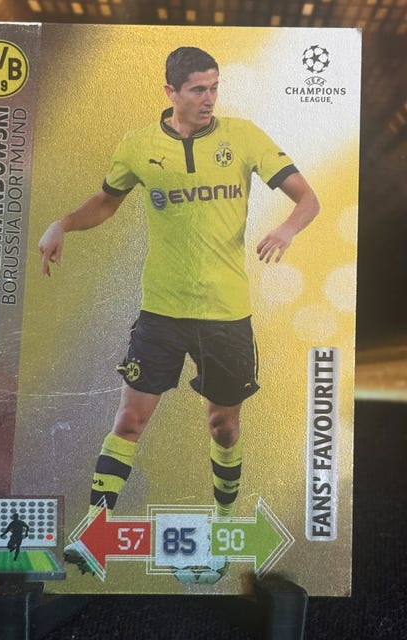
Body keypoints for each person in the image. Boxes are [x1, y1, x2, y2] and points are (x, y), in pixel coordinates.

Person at [39, 47, 319, 577]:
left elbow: (307, 199)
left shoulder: (244, 138)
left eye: (214, 87)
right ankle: (94, 532)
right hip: (162, 311)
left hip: (225, 313)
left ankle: (222, 529)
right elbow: (106, 201)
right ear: (171, 92)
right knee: (129, 419)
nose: (209, 98)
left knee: (223, 426)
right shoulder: (139, 145)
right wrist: (63, 224)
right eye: (198, 89)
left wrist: (286, 229)